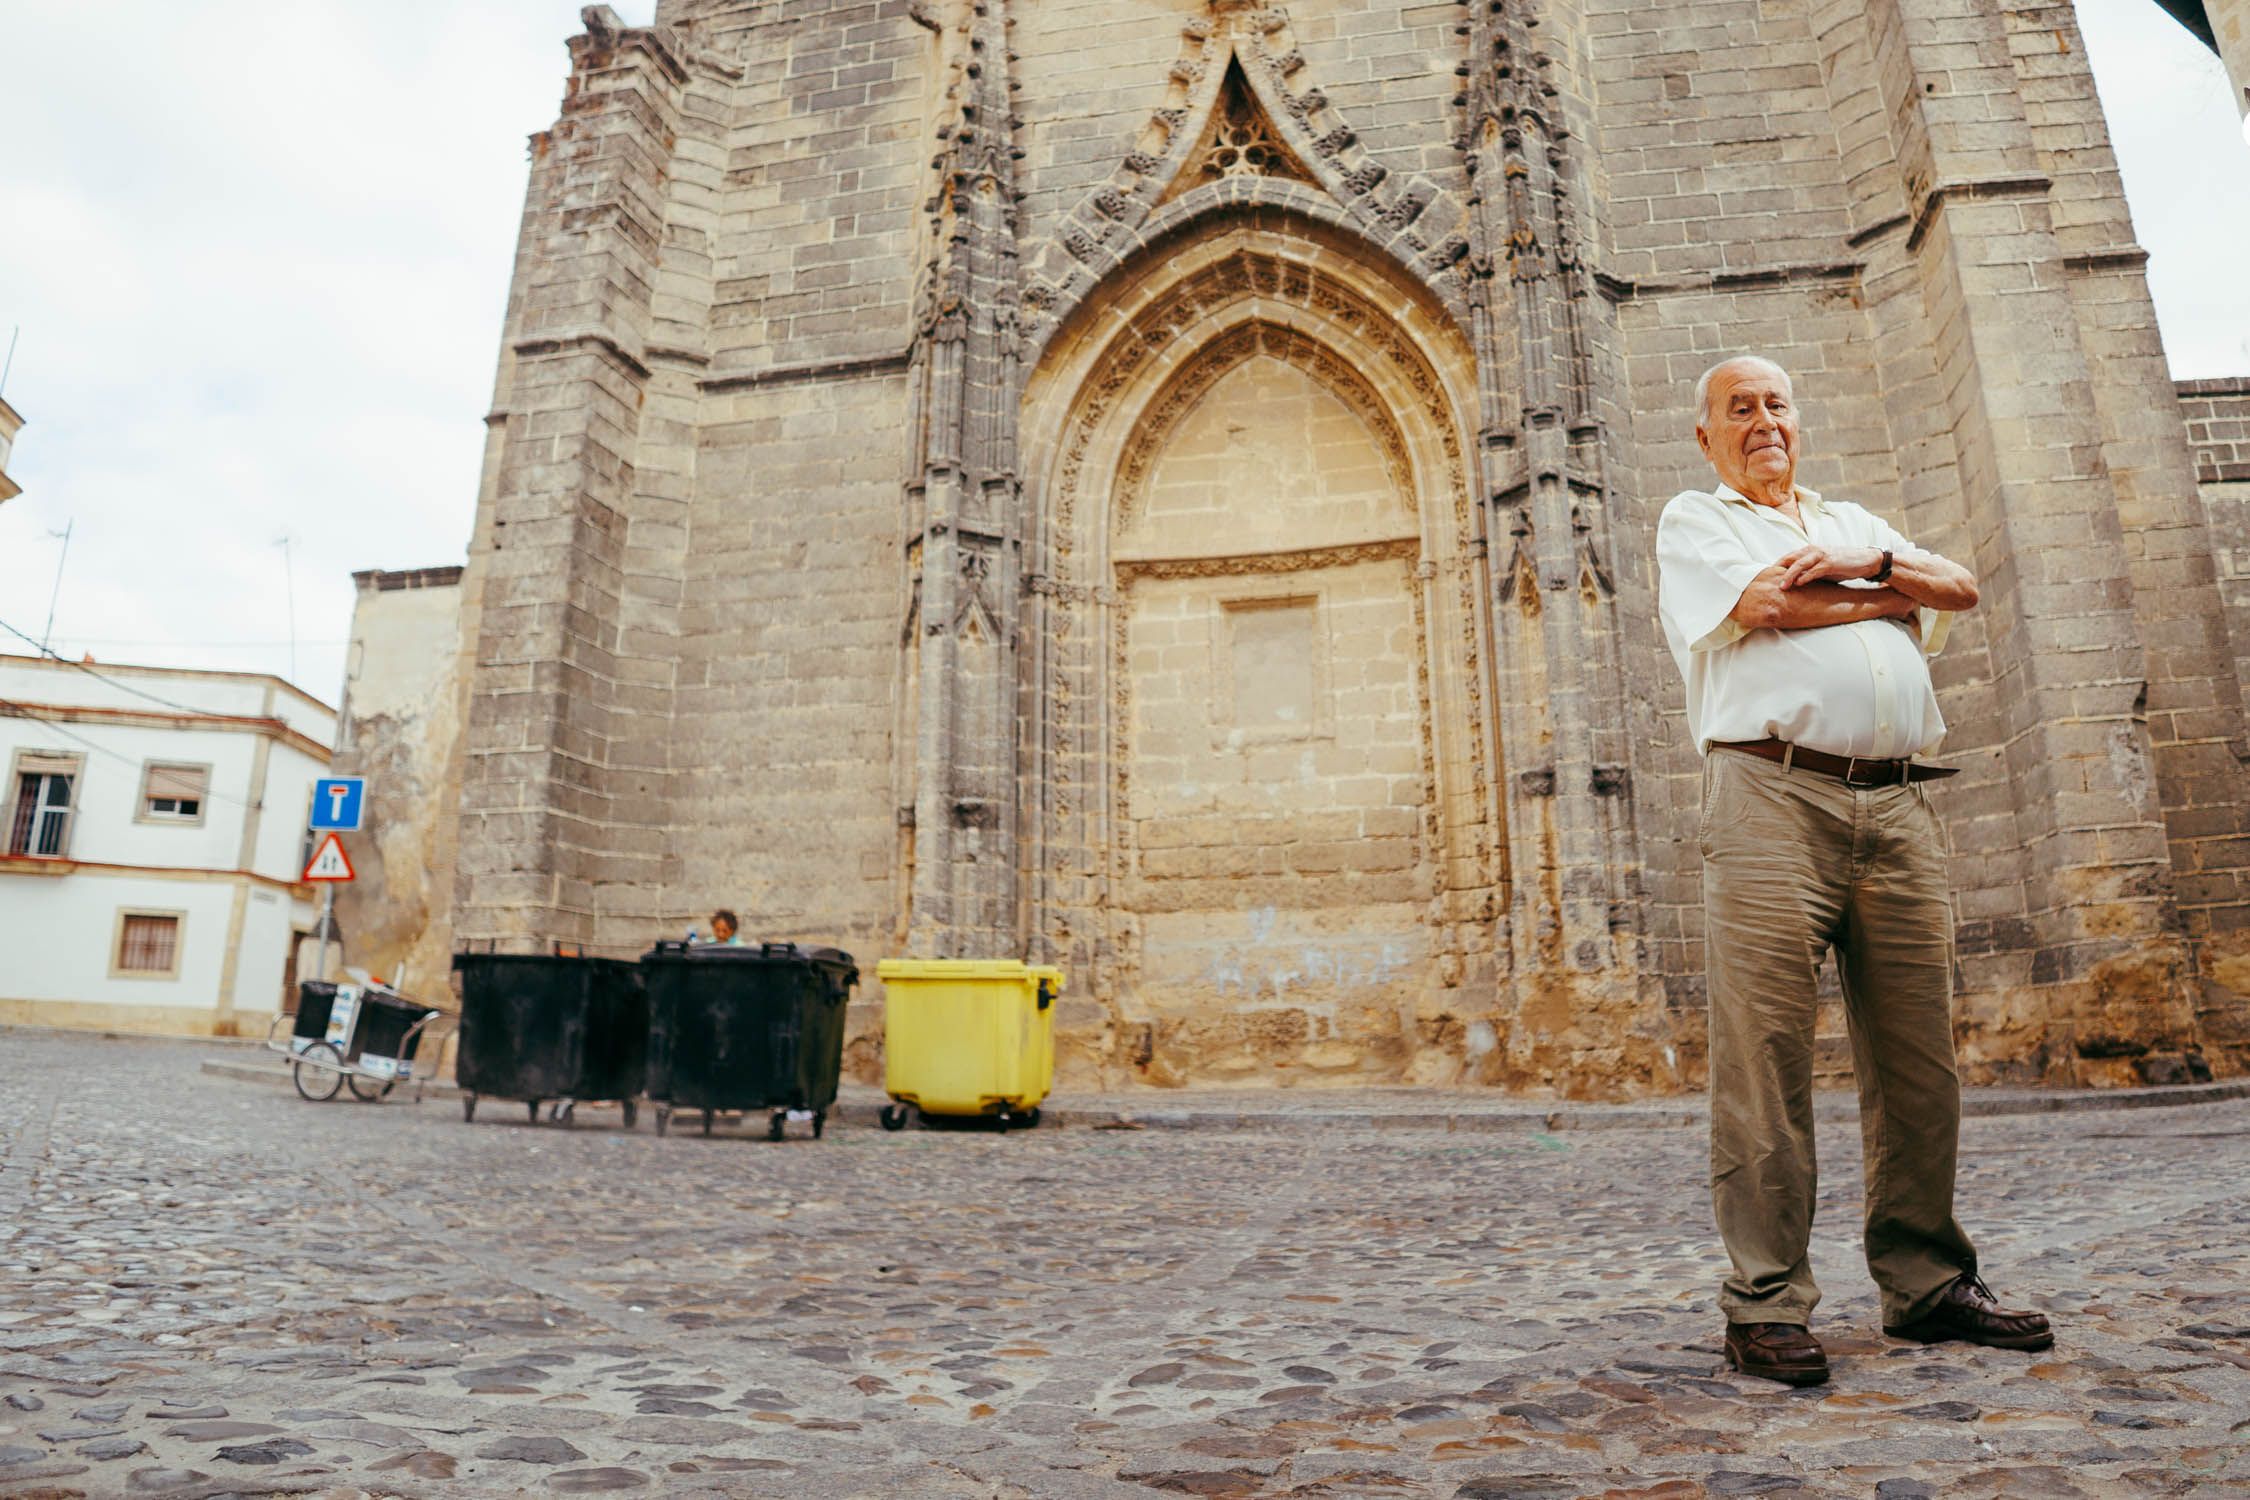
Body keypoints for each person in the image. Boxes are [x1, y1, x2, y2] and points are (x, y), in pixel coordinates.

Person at [1654, 355, 2052, 1387]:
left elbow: (1959, 585)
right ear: (1707, 436)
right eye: (1737, 410)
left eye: (1776, 404)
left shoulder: (1853, 514)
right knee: (1766, 1059)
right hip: (1771, 796)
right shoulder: (1696, 522)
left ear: (1800, 420)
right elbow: (1763, 607)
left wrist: (1845, 572)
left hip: (1902, 798)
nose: (1762, 422)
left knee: (1921, 1055)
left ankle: (1925, 1285)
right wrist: (1883, 593)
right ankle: (1765, 1303)